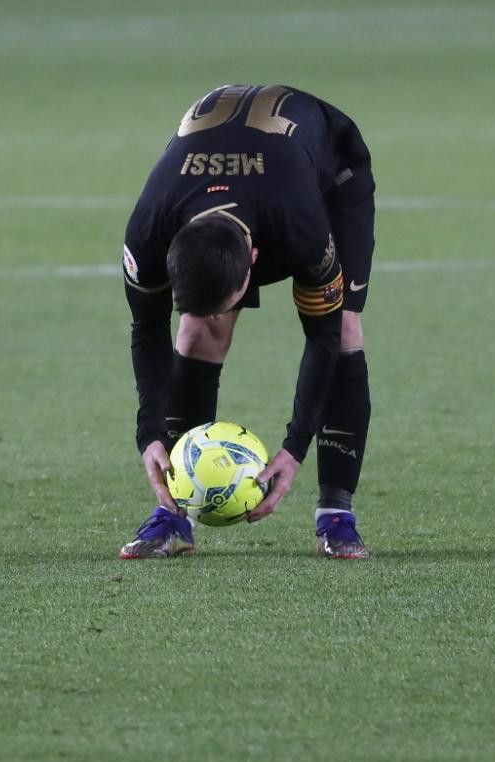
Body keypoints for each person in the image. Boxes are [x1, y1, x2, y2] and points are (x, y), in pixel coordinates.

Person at [118, 84, 374, 560]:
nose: (222, 312)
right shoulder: (148, 232)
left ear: (255, 262)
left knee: (343, 330)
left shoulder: (302, 230)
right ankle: (175, 517)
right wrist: (148, 433)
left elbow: (321, 335)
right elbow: (146, 330)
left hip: (330, 170)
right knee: (197, 331)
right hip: (245, 179)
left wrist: (294, 449)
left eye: (226, 301)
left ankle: (336, 517)